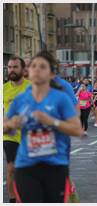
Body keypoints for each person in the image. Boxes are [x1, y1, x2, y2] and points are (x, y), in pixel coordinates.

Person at [3, 51, 83, 203]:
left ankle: (71, 194)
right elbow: (6, 126)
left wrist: (52, 122)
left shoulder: (62, 93)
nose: (36, 70)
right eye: (33, 66)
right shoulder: (21, 98)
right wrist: (10, 124)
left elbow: (77, 127)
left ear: (51, 73)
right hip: (26, 164)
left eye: (42, 67)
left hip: (55, 160)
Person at [3, 56, 31, 203]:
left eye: (15, 67)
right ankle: (13, 201)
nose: (11, 70)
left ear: (22, 69)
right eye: (9, 67)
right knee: (11, 168)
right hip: (10, 135)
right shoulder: (4, 89)